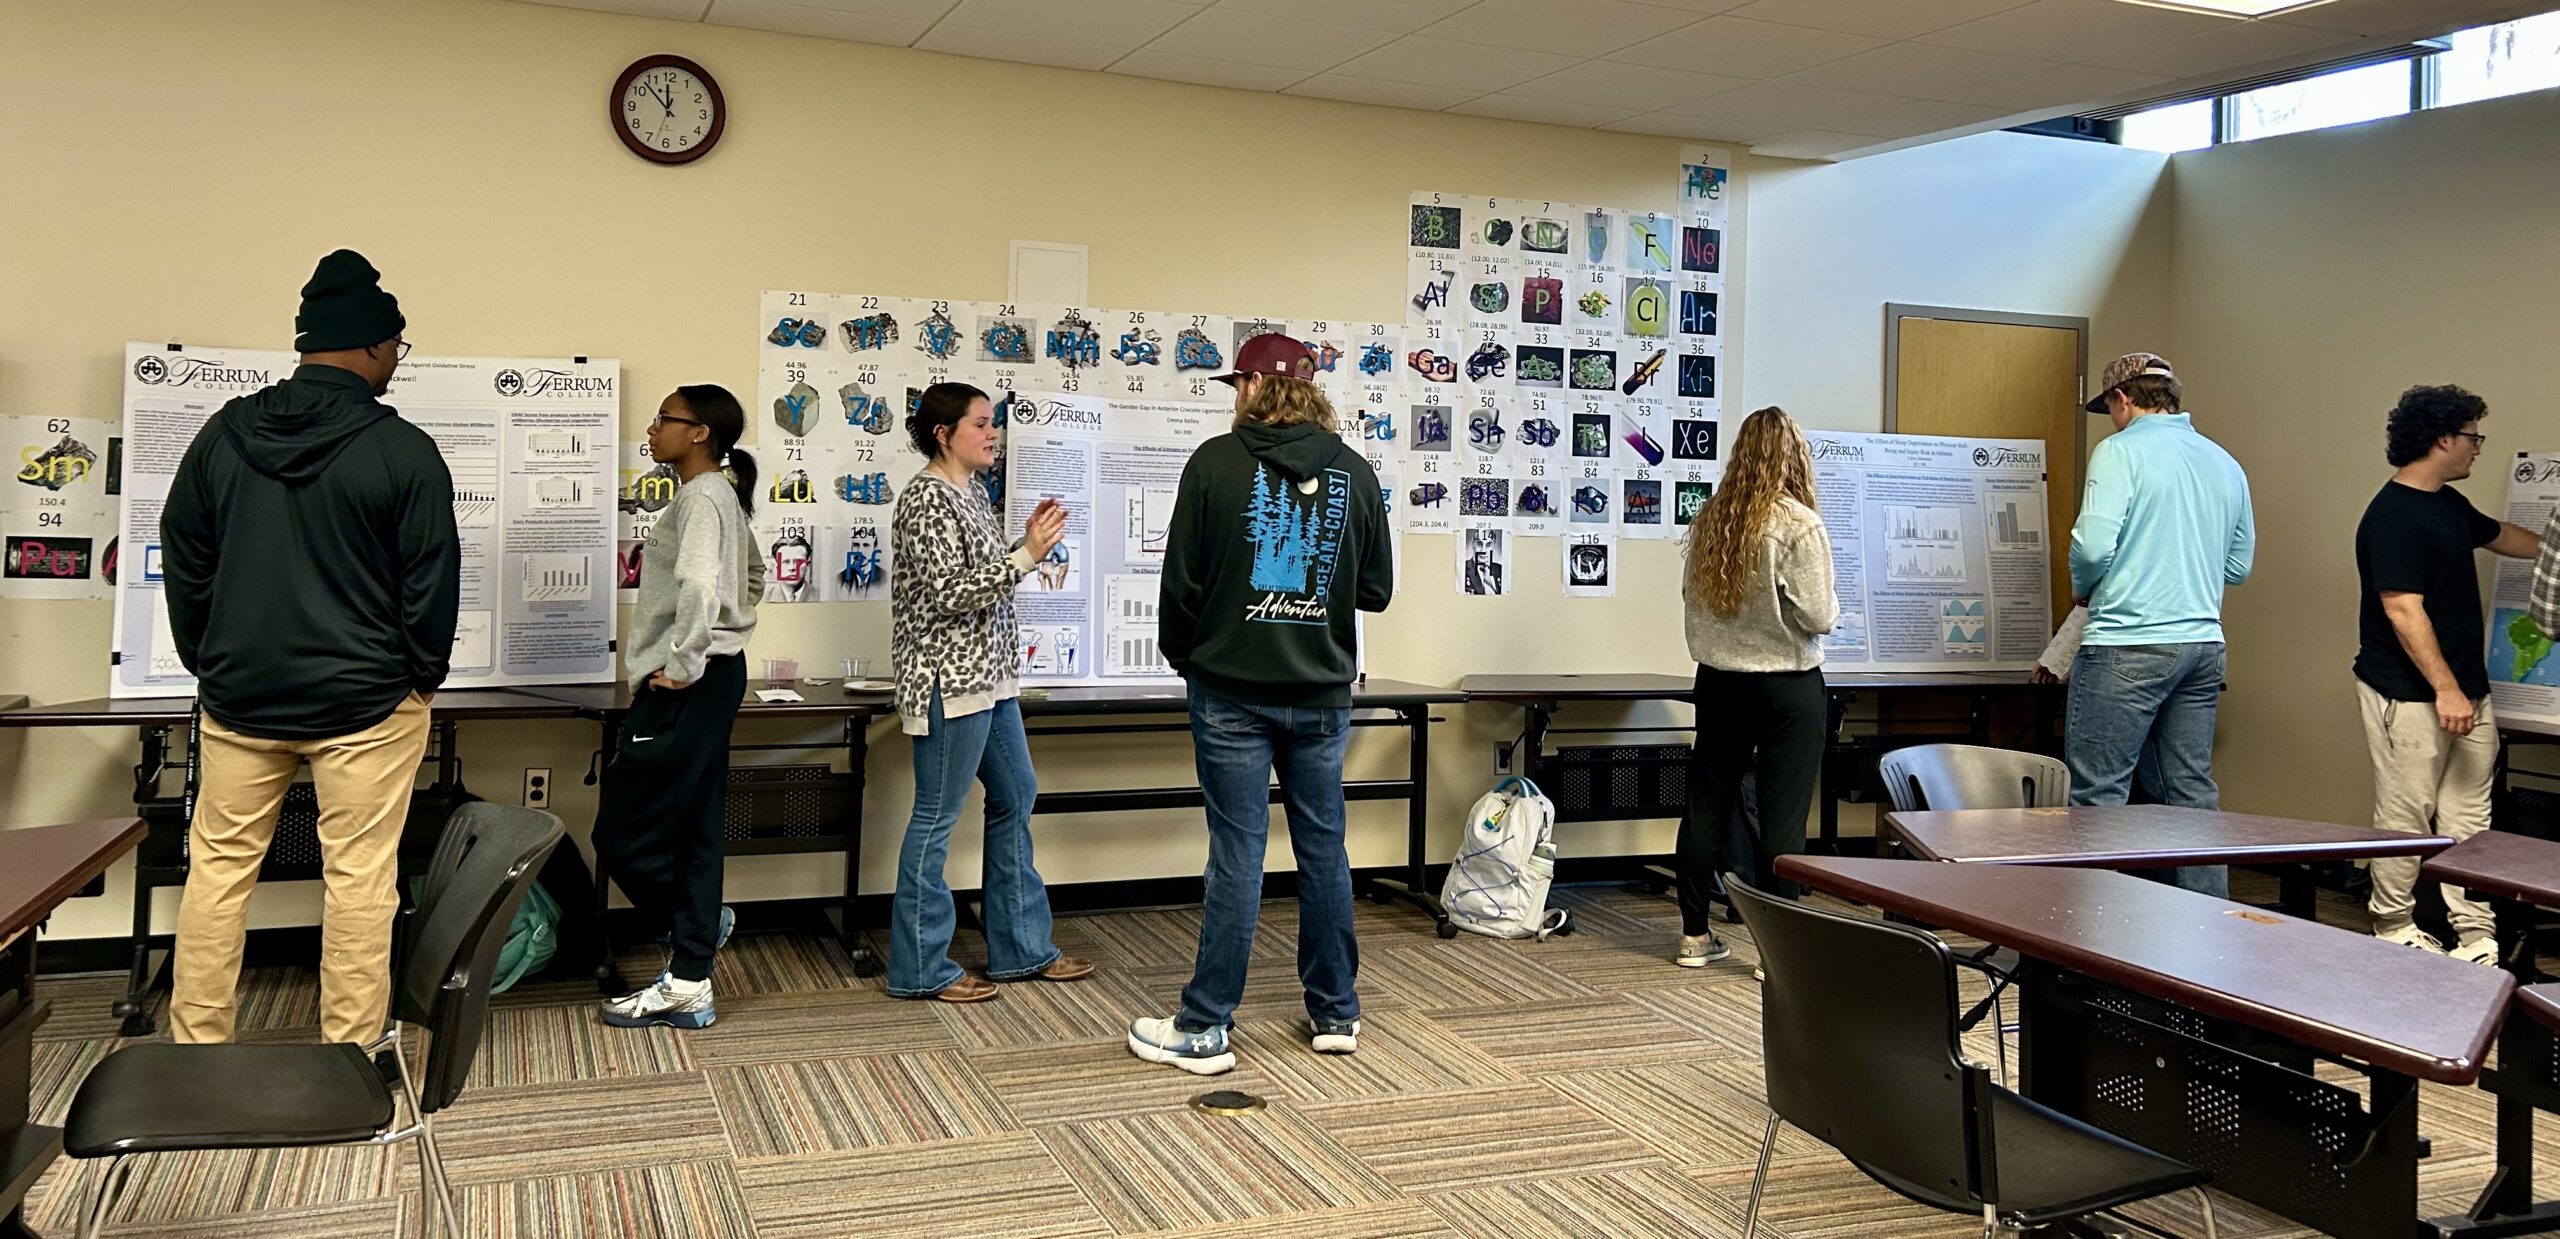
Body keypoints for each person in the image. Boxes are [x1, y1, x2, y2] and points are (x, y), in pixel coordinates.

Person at [158, 249, 457, 1045]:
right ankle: (349, 1058)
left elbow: (182, 551)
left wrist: (206, 656)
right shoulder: (404, 450)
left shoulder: (223, 436)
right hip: (366, 703)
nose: (397, 359)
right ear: (368, 346)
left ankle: (196, 1050)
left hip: (240, 697)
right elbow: (431, 580)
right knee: (360, 879)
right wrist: (420, 676)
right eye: (396, 345)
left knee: (217, 872)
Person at [1128, 334, 1394, 1075]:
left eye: (1235, 383)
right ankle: (1336, 1011)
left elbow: (1180, 586)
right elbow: (1375, 589)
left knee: (1237, 853)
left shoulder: (1213, 462)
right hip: (1321, 692)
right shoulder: (1355, 473)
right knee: (1324, 847)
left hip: (1230, 691)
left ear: (1251, 385)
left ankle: (1206, 1025)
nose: (1232, 396)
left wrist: (1191, 659)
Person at [886, 382, 1091, 1002]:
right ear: (944, 434)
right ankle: (920, 966)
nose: (993, 434)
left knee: (1016, 795)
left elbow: (978, 573)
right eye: (981, 424)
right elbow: (951, 592)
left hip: (991, 679)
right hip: (949, 683)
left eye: (992, 423)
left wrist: (1021, 548)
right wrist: (1026, 556)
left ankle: (1021, 948)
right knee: (935, 817)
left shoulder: (971, 492)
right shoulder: (925, 499)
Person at [595, 385, 765, 1029]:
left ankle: (695, 933)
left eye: (667, 419)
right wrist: (726, 640)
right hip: (715, 677)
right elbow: (753, 578)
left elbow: (701, 583)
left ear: (700, 433)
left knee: (620, 832)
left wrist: (688, 659)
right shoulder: (719, 495)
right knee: (694, 828)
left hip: (691, 683)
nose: (654, 427)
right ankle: (690, 979)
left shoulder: (701, 498)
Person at [2353, 385, 2543, 961]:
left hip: (2467, 691)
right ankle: (2393, 927)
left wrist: (2555, 545)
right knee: (2406, 815)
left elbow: (2508, 538)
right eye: (2472, 437)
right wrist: (2446, 690)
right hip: (2410, 694)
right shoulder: (2391, 516)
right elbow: (2402, 609)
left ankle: (2475, 934)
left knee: (2468, 817)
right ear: (2442, 439)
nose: (2477, 449)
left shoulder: (2448, 505)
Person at [2064, 353, 2255, 897]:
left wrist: (2082, 581)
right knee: (2190, 792)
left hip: (2126, 642)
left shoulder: (2119, 451)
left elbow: (2095, 544)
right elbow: (2238, 567)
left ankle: (2089, 942)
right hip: (2202, 645)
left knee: (2099, 798)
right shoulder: (2224, 461)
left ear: (2123, 399)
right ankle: (2204, 932)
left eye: (2110, 409)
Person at [1673, 407, 1836, 967]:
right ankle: (1777, 955)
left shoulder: (1713, 518)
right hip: (1787, 687)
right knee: (1783, 815)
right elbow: (1820, 615)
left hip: (1719, 682)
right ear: (1794, 455)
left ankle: (1694, 936)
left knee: (1706, 805)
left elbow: (1693, 604)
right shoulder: (1798, 523)